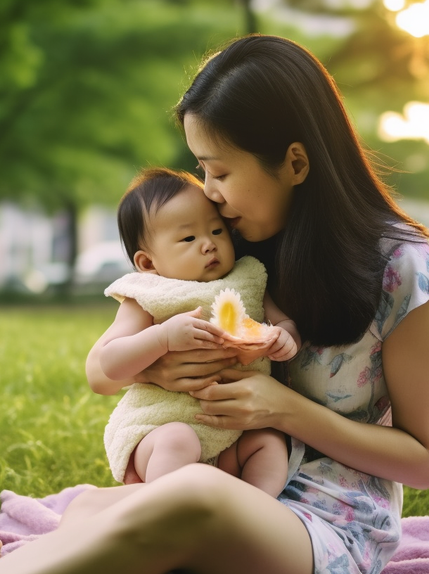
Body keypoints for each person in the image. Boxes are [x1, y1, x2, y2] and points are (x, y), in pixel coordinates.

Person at [0, 34, 429, 574]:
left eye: (220, 171)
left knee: (190, 497)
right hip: (226, 483)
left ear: (295, 162)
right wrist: (161, 363)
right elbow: (114, 358)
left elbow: (424, 461)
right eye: (202, 169)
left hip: (327, 523)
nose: (209, 192)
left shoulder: (406, 272)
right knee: (91, 507)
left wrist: (281, 407)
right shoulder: (232, 252)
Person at [96, 167, 300, 497]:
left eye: (217, 231)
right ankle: (164, 511)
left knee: (269, 443)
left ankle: (253, 510)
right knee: (179, 440)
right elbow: (110, 362)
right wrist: (161, 338)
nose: (209, 245)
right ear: (148, 263)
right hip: (161, 429)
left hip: (233, 434)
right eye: (189, 238)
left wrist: (285, 336)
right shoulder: (148, 294)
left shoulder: (248, 279)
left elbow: (283, 321)